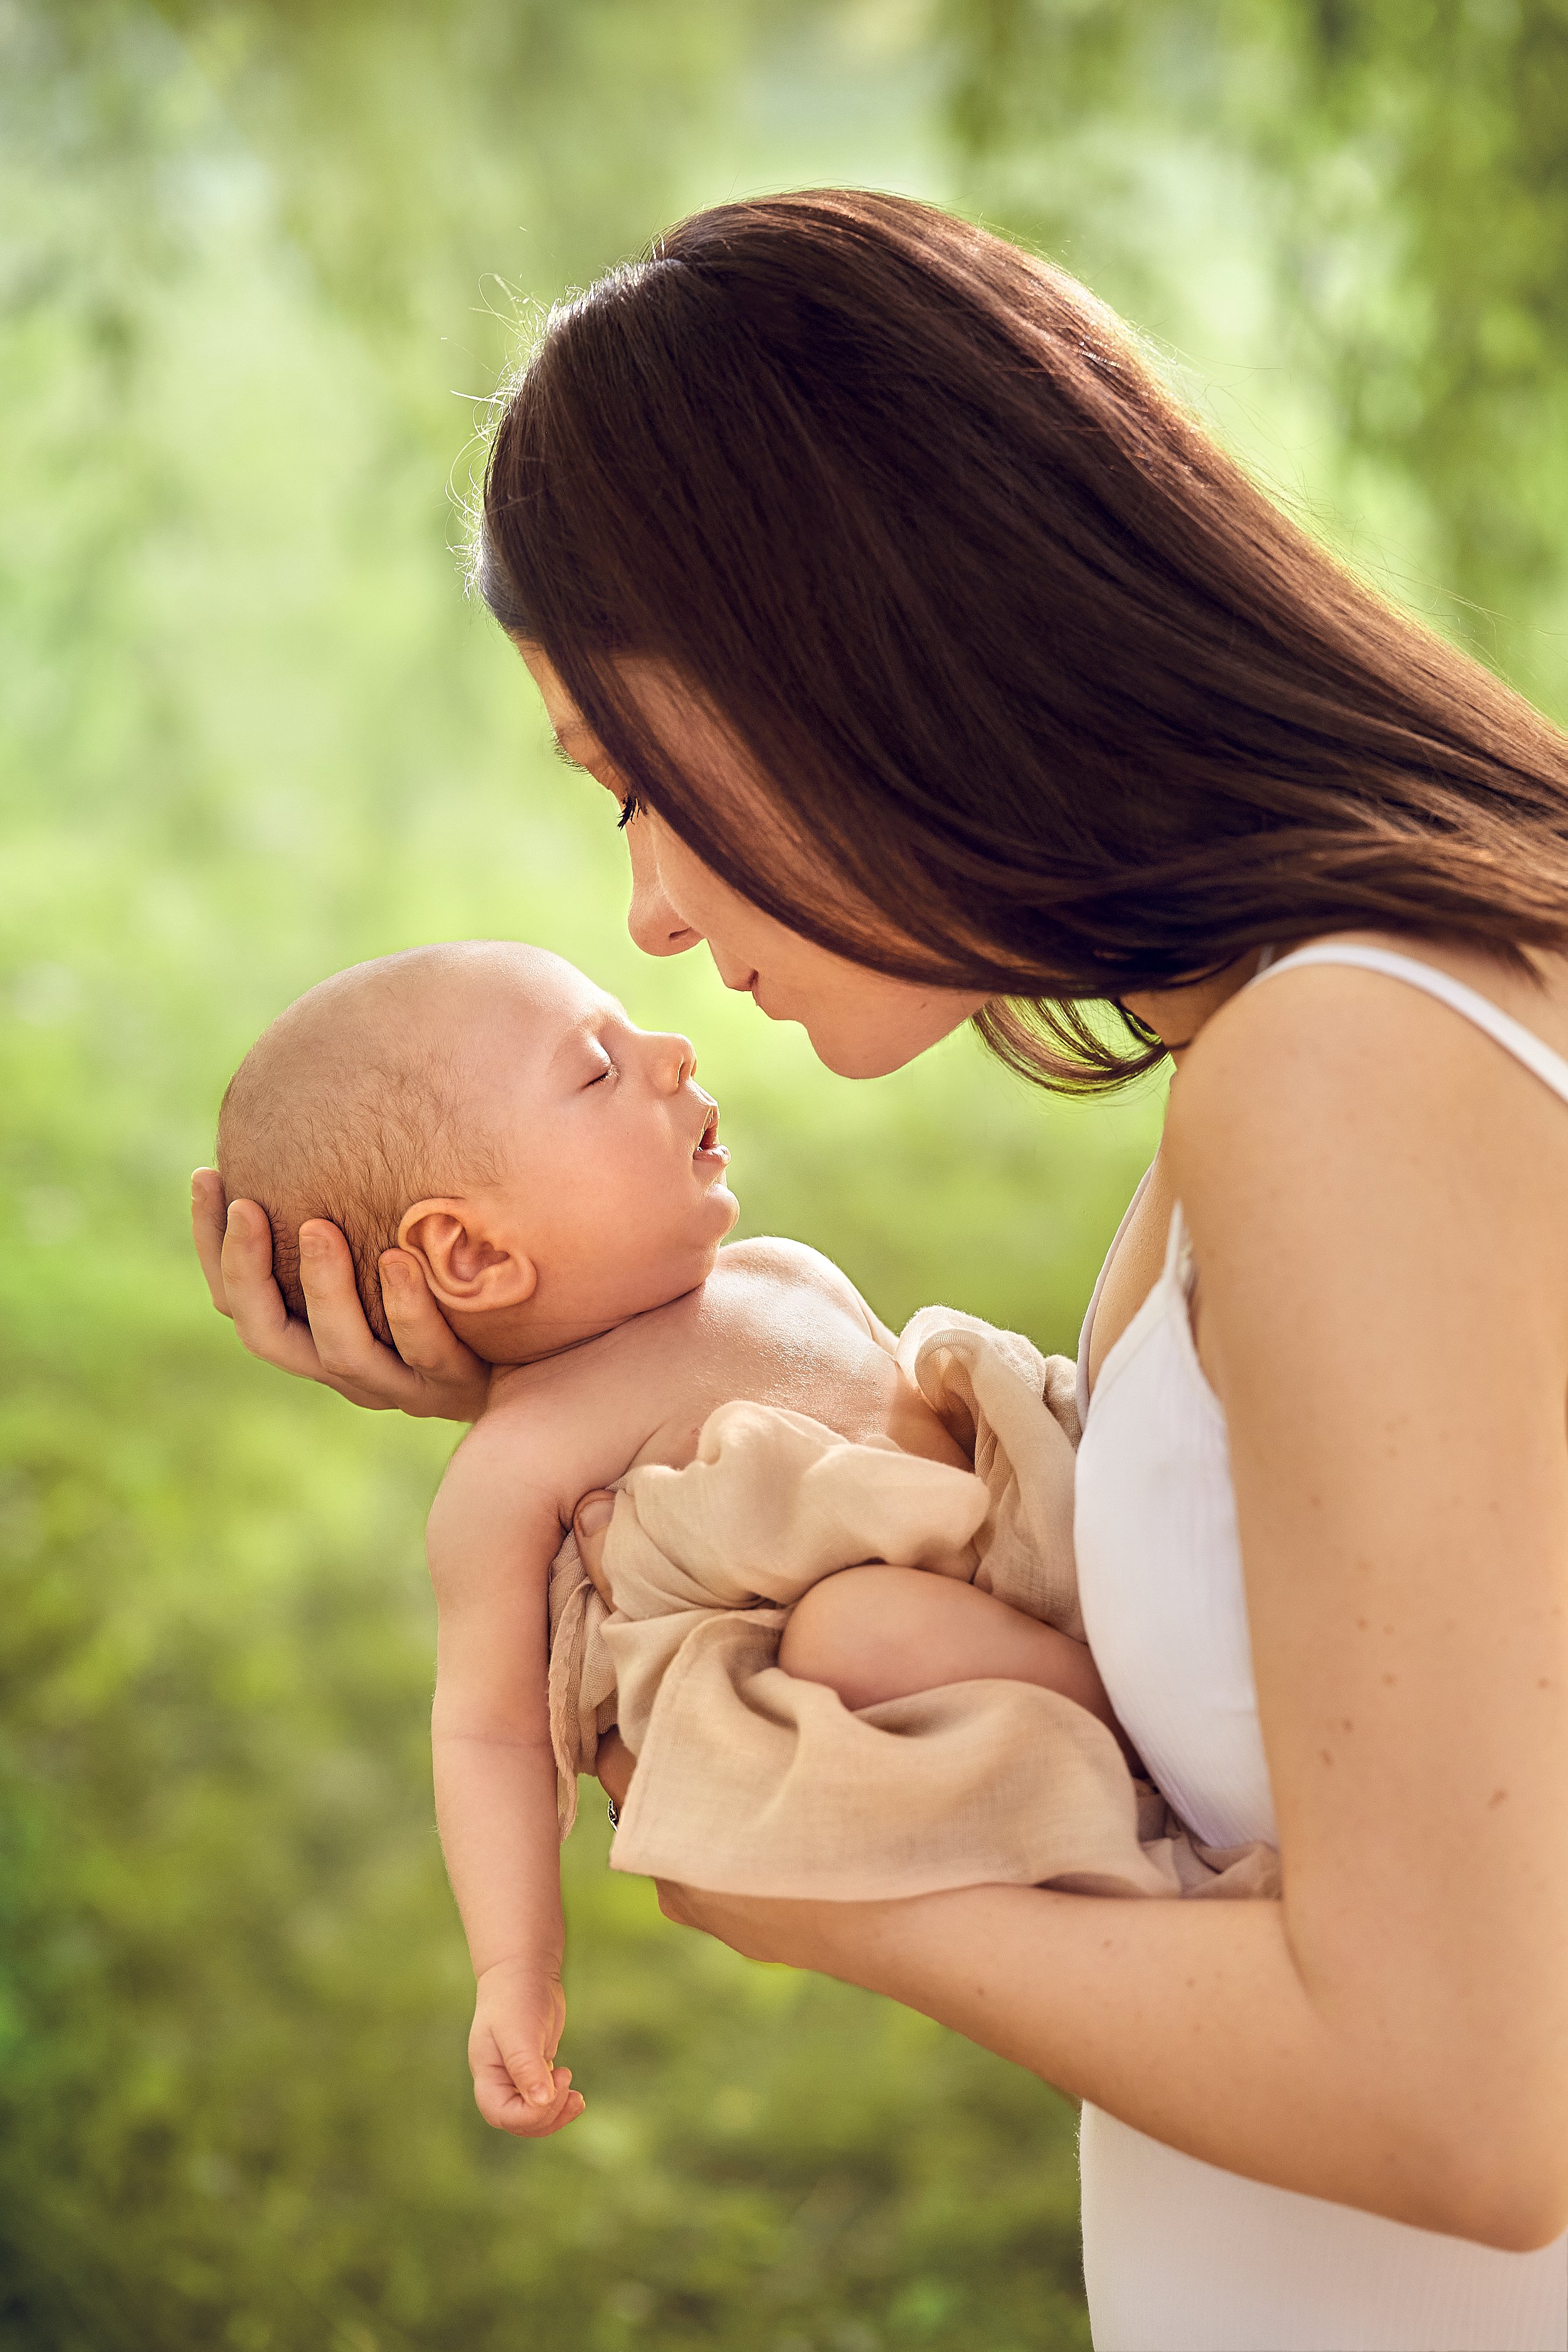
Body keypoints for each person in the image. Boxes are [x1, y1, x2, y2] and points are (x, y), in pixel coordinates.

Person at [193, 191, 1568, 2349]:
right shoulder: (1364, 1015)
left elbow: (1473, 2110)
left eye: (632, 778)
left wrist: (795, 1886)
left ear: (838, 644)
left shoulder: (1345, 1067)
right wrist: (586, 1392)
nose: (647, 908)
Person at [212, 938, 1125, 2143]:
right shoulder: (518, 1466)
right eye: (597, 1070)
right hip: (943, 1668)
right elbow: (487, 1728)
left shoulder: (774, 1269)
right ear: (472, 1252)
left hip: (1047, 1529)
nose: (671, 1050)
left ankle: (1146, 1631)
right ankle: (1135, 1719)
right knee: (856, 1629)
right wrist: (514, 1969)